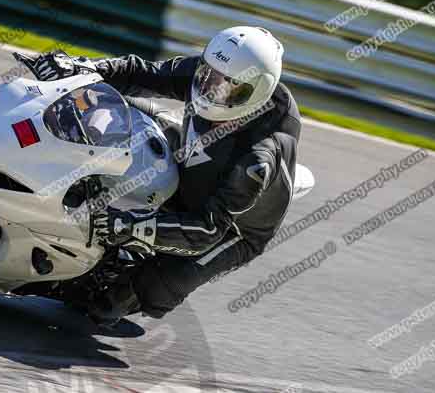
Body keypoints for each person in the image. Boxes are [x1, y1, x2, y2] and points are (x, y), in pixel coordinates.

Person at [19, 26, 301, 321]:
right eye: (209, 77)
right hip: (191, 151)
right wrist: (81, 66)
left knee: (142, 292)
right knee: (109, 108)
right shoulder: (216, 71)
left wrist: (128, 226)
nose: (210, 91)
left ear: (256, 93)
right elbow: (143, 73)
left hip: (231, 227)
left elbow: (207, 230)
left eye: (228, 88)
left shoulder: (258, 158)